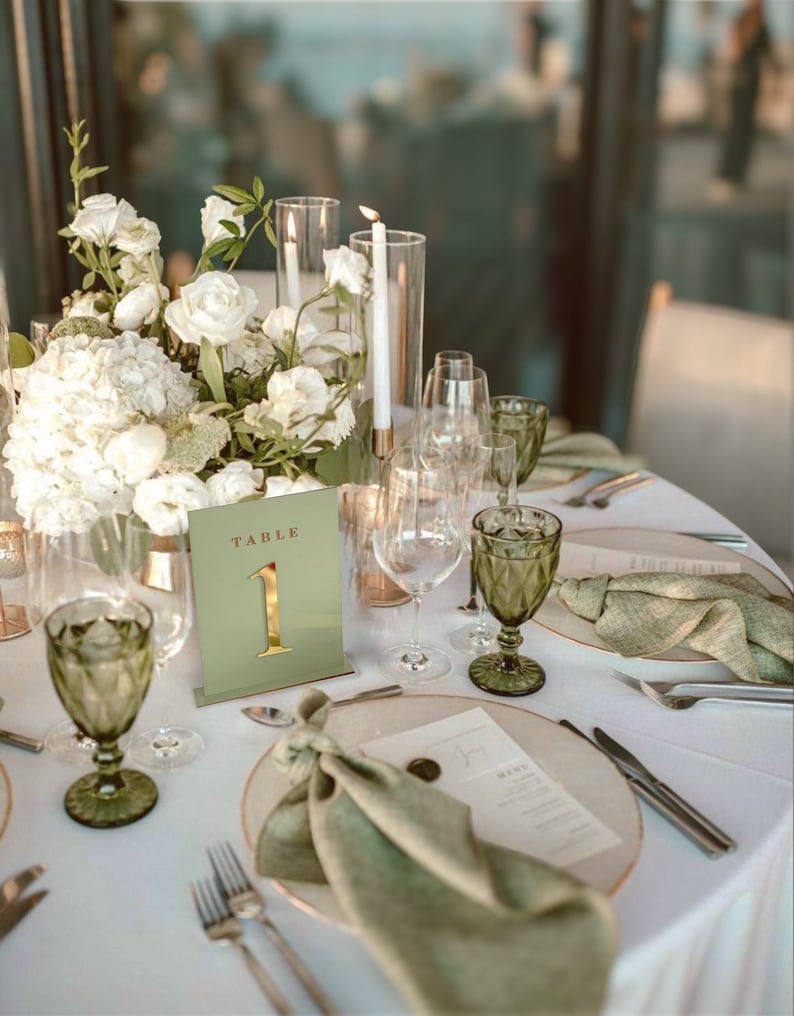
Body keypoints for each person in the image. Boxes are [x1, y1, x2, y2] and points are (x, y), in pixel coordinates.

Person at [710, 0, 774, 200]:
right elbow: (734, 52)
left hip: (752, 83)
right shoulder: (739, 22)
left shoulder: (762, 26)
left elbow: (768, 55)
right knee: (736, 130)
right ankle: (725, 175)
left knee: (745, 131)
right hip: (740, 83)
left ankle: (737, 176)